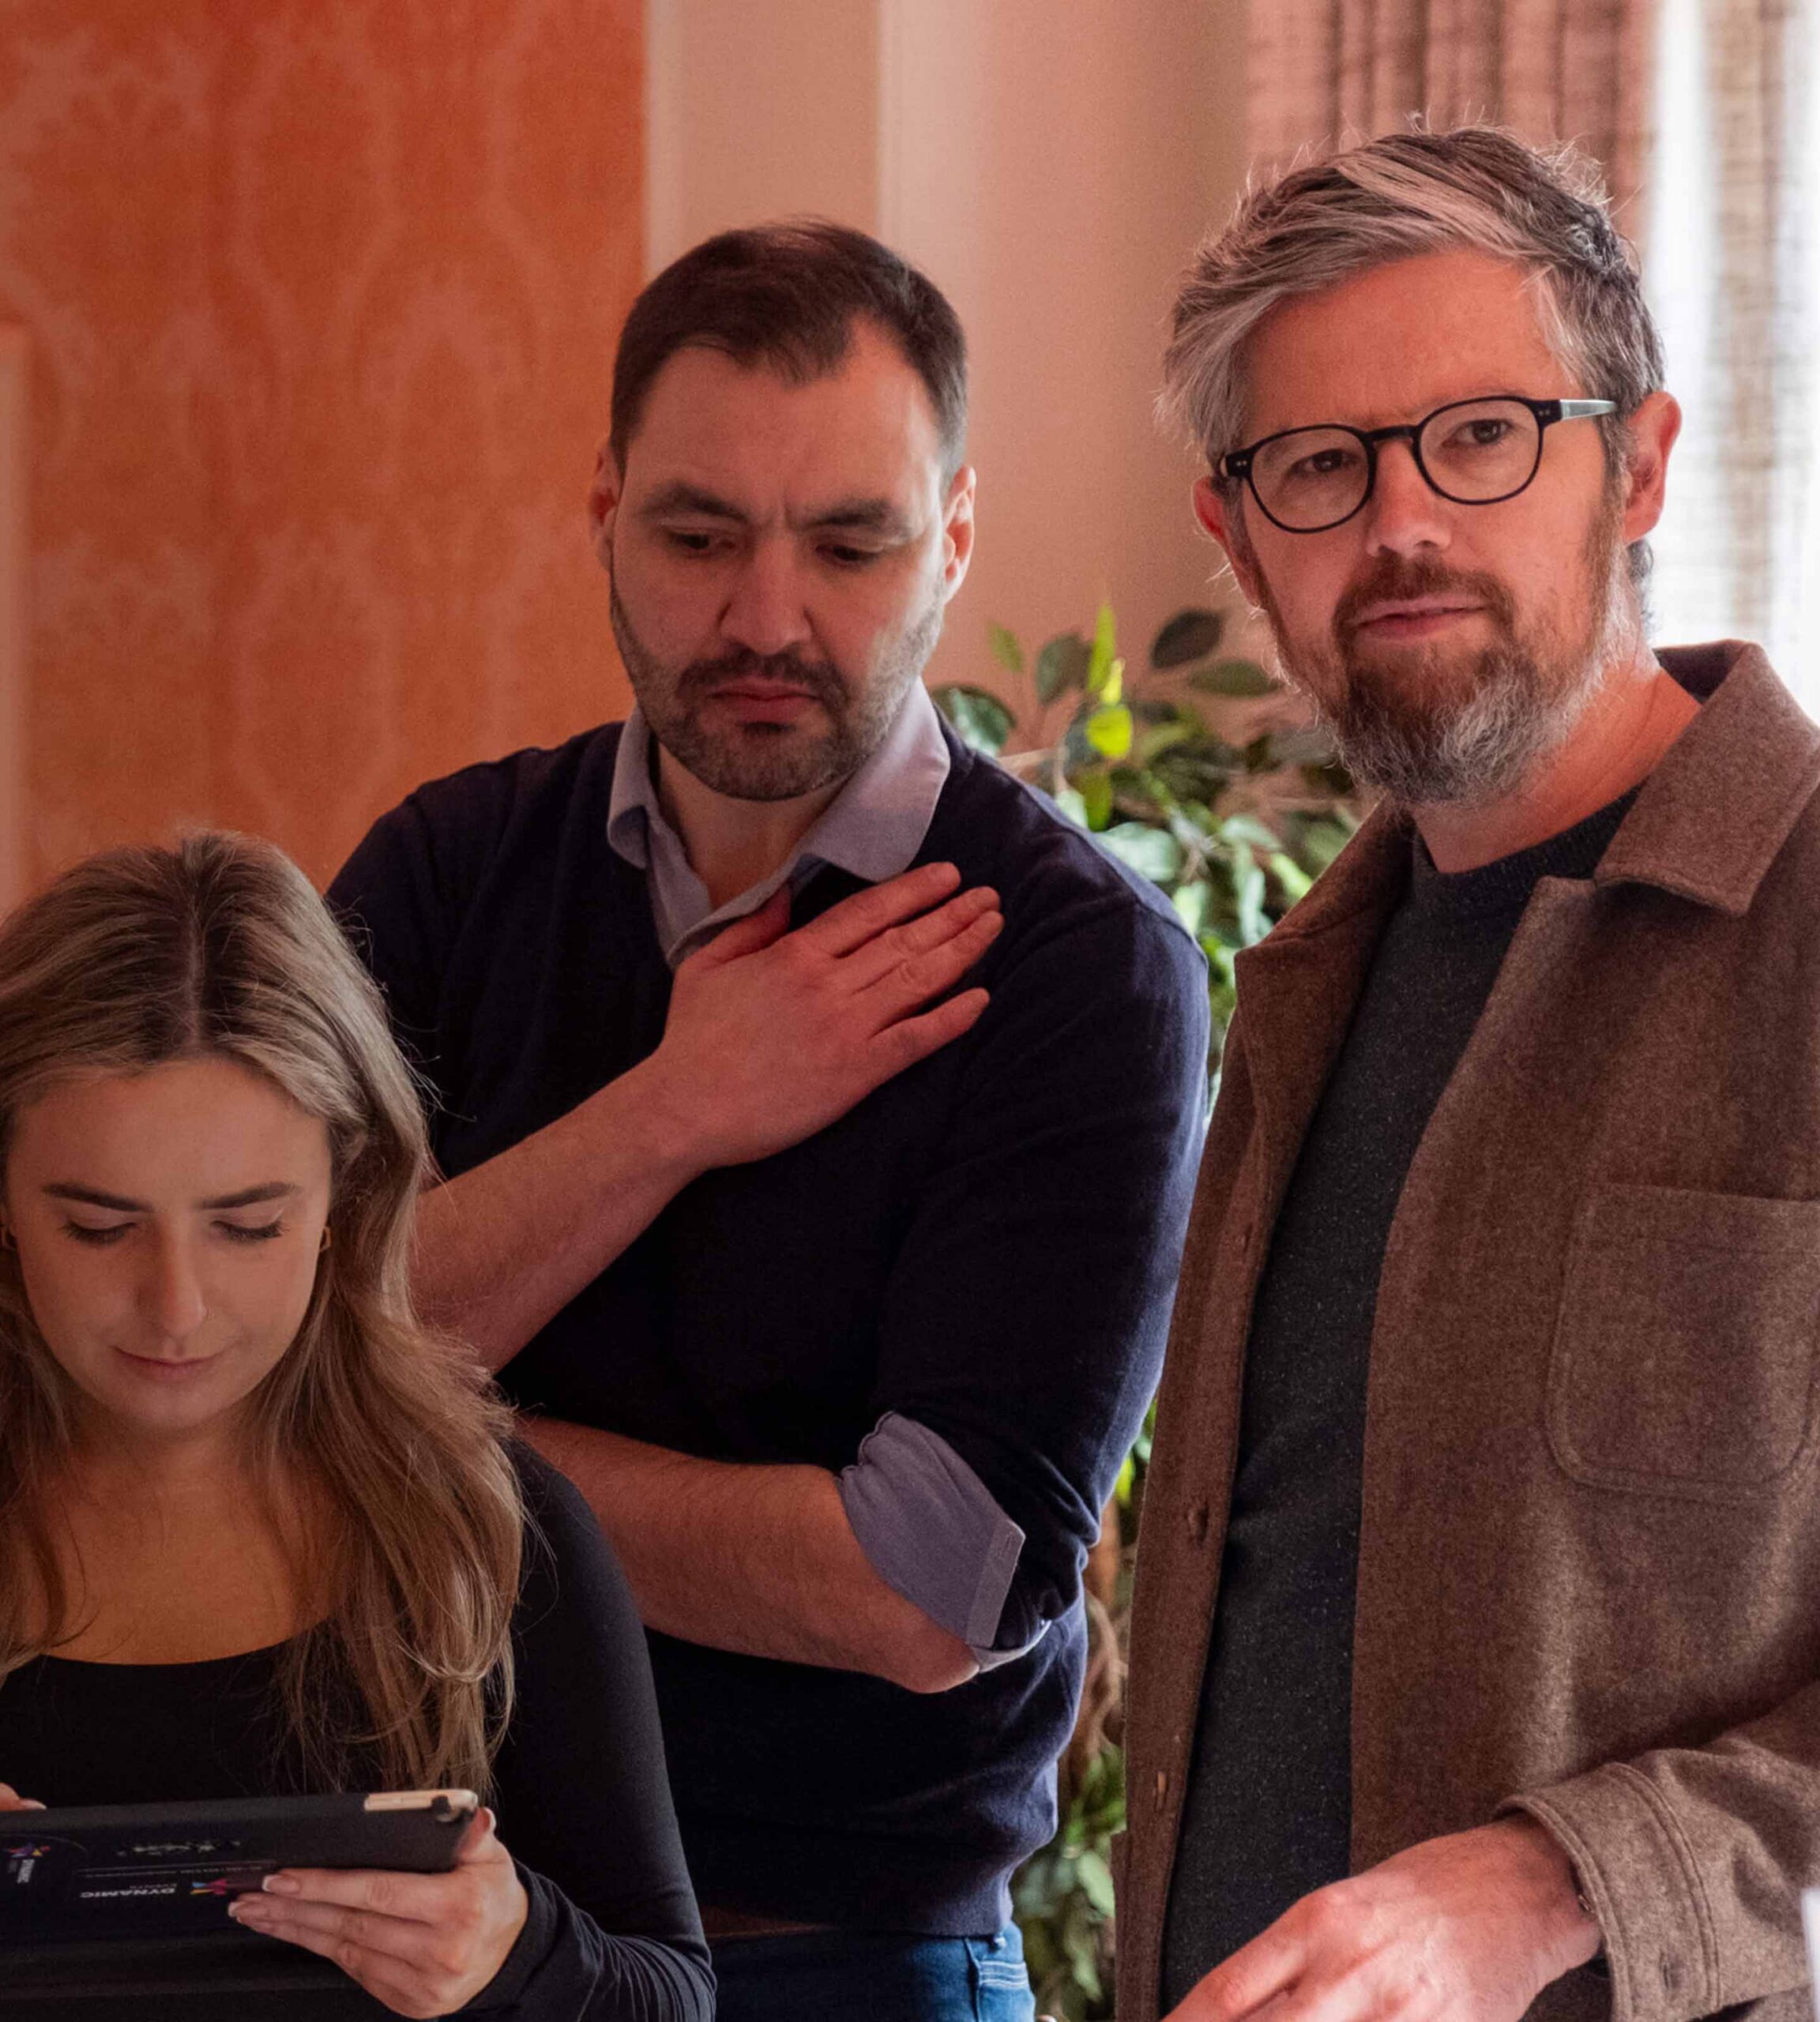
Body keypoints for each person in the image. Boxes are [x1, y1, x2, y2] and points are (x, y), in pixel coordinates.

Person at [328, 220, 1210, 2021]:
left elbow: (923, 1586)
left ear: (954, 535)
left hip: (847, 1963)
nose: (765, 618)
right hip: (429, 1935)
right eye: (700, 534)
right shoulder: (443, 869)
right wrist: (671, 1111)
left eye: (851, 542)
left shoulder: (1083, 972)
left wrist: (407, 1432)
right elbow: (261, 1373)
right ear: (604, 508)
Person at [1116, 126, 1820, 2022]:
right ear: (1239, 536)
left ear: (1644, 463)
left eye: (1484, 432)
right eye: (1321, 466)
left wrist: (1553, 1884)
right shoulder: (1296, 992)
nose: (1400, 520)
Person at [0, 832, 714, 2022]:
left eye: (248, 1226)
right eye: (98, 1227)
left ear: (349, 1193)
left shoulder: (487, 1530)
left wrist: (516, 1950)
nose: (175, 1309)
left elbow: (671, 2001)